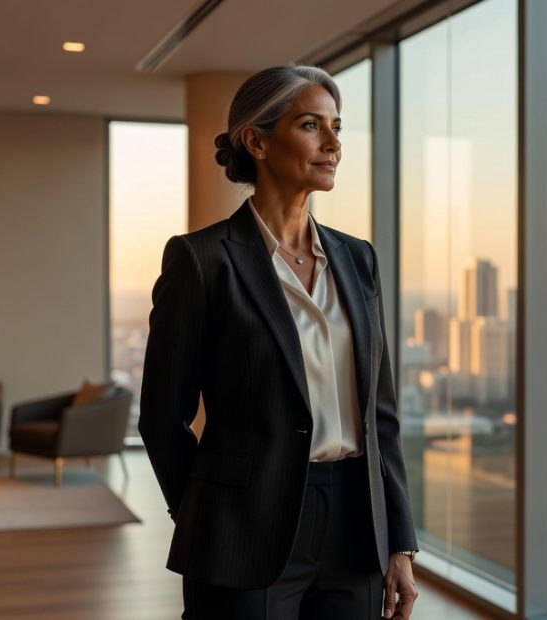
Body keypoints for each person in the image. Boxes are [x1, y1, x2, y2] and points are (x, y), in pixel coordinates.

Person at [139, 64, 419, 619]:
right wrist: (204, 513)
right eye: (312, 125)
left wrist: (399, 537)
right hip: (245, 525)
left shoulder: (358, 258)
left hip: (357, 527)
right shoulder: (202, 260)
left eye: (337, 126)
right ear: (257, 141)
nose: (334, 143)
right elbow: (161, 414)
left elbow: (379, 414)